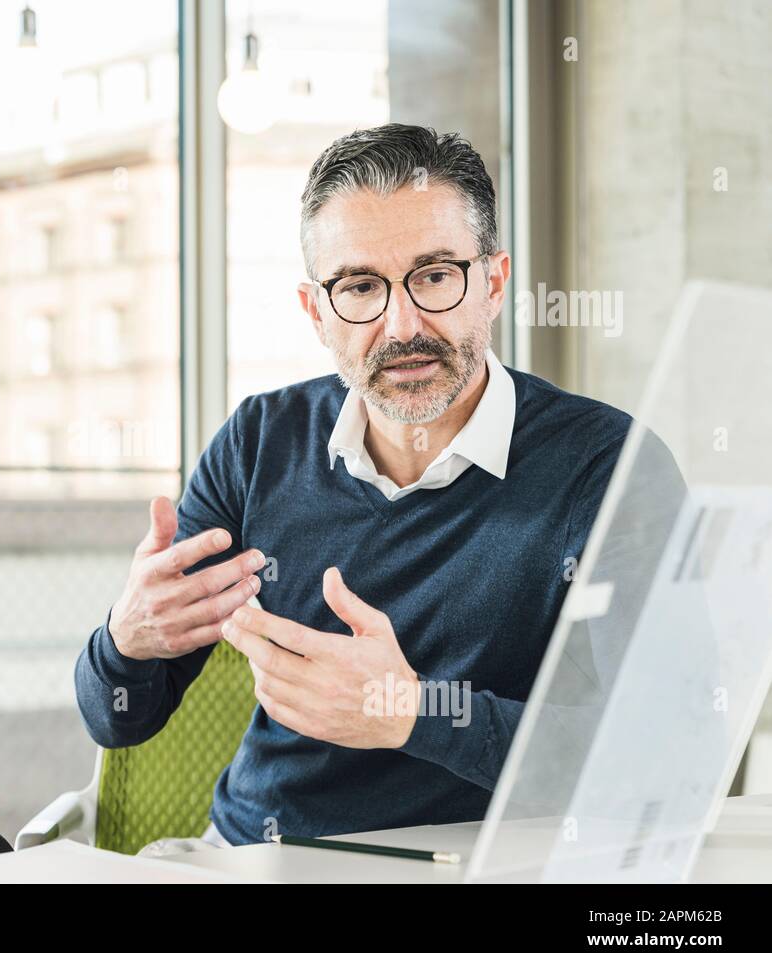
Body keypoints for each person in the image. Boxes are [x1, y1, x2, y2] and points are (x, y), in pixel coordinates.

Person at [75, 122, 667, 847]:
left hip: (479, 867)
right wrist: (124, 640)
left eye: (435, 276)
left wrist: (414, 712)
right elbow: (119, 718)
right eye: (360, 286)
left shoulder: (607, 465)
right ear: (316, 312)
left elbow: (658, 753)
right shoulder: (261, 440)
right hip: (249, 857)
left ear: (495, 282)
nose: (402, 324)